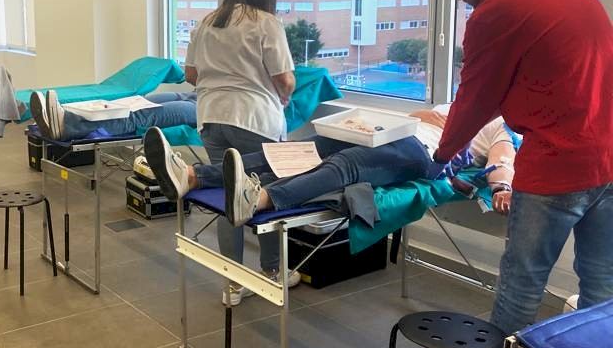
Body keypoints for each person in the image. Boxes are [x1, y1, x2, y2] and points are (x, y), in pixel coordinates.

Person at [429, 0, 613, 340]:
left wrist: (442, 155)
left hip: (556, 167)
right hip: (608, 159)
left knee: (521, 287)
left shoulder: (497, 10)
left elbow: (476, 95)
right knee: (602, 287)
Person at [143, 105, 518, 233]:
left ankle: (258, 199)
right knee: (303, 149)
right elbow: (413, 117)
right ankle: (191, 176)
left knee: (346, 165)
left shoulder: (500, 123)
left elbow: (502, 160)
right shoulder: (458, 103)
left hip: (421, 154)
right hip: (385, 133)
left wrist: (501, 187)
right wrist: (423, 114)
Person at [184, 0, 297, 303]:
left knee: (228, 194)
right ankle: (272, 271)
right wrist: (285, 95)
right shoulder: (266, 23)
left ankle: (232, 283)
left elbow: (191, 74)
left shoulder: (208, 21)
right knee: (264, 193)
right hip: (254, 119)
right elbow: (285, 79)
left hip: (211, 117)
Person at [29, 90, 196, 141]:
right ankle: (63, 118)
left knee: (140, 115)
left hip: (204, 108)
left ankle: (66, 126)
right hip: (197, 93)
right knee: (135, 103)